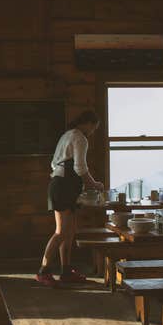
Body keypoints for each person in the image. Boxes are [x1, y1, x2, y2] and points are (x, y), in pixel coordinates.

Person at [38, 110, 103, 287]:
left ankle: (66, 271)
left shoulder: (67, 135)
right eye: (94, 128)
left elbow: (55, 164)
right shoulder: (80, 138)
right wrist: (94, 184)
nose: (93, 131)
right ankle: (43, 272)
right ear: (88, 123)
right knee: (61, 232)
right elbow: (80, 168)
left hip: (63, 185)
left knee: (69, 232)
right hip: (63, 187)